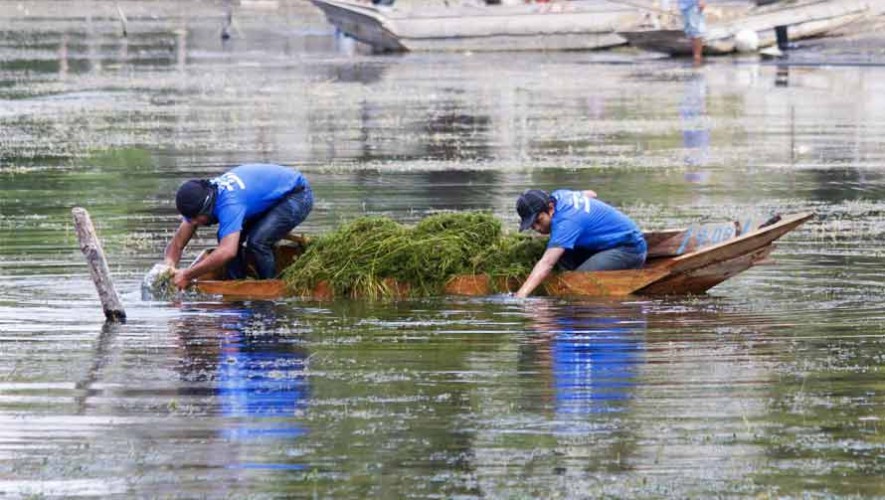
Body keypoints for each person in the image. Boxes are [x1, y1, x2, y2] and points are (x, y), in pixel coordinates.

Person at [163, 163, 313, 290]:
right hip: (268, 197)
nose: (193, 224)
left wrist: (187, 275)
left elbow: (227, 251)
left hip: (296, 194)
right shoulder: (200, 200)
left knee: (258, 241)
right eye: (190, 219)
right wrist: (168, 268)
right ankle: (237, 283)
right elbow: (177, 243)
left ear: (207, 208)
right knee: (224, 237)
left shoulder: (229, 204)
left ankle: (271, 287)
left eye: (196, 219)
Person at [513, 189, 647, 298]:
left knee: (576, 282)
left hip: (628, 248)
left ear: (551, 208)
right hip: (603, 244)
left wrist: (521, 295)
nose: (537, 228)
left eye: (539, 221)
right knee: (562, 256)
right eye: (532, 225)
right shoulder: (560, 196)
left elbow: (547, 263)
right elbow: (591, 193)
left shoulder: (566, 222)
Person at [679, 0, 706, 65]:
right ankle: (696, 57)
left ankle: (697, 58)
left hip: (693, 4)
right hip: (684, 5)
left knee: (696, 31)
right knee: (690, 31)